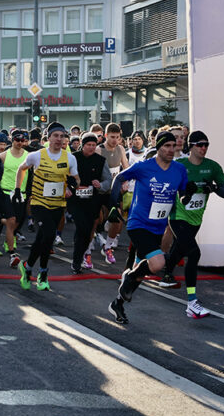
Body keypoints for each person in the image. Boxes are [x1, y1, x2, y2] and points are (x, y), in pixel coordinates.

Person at [106, 131, 192, 324]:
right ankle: (128, 278)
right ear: (159, 148)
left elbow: (183, 194)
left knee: (141, 271)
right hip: (138, 224)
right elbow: (119, 178)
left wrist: (189, 194)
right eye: (167, 146)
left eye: (174, 146)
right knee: (158, 263)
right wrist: (113, 203)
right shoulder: (144, 167)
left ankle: (118, 303)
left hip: (158, 226)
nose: (171, 149)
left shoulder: (179, 169)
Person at [163, 131, 224, 318]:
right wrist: (185, 192)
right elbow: (169, 188)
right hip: (177, 216)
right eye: (200, 144)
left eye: (206, 144)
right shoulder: (180, 165)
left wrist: (214, 188)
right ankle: (192, 302)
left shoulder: (212, 166)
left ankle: (164, 269)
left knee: (180, 249)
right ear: (191, 146)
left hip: (196, 218)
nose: (204, 148)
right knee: (194, 252)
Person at [14, 122, 80, 291]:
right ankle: (43, 273)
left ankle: (27, 267)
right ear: (48, 138)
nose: (59, 139)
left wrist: (71, 189)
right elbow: (21, 169)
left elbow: (76, 179)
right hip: (39, 203)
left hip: (58, 204)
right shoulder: (36, 156)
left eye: (62, 136)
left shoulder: (70, 158)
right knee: (49, 235)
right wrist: (17, 189)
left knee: (41, 239)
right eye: (55, 136)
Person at [69, 133, 111, 274]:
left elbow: (108, 180)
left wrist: (100, 185)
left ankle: (79, 257)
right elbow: (65, 175)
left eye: (94, 145)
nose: (92, 147)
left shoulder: (100, 160)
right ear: (83, 145)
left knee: (87, 232)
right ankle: (76, 261)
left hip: (93, 200)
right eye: (89, 145)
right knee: (82, 226)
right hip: (75, 200)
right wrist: (71, 187)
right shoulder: (74, 157)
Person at [0, 129, 28, 266]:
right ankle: (12, 253)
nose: (19, 143)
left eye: (22, 140)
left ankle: (0, 220)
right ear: (12, 141)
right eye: (17, 140)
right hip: (6, 192)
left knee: (17, 223)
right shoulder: (3, 156)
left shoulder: (28, 156)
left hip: (22, 193)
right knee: (12, 220)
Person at [97, 123, 129, 266]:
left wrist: (126, 181)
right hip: (101, 189)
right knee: (99, 218)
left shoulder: (121, 149)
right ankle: (95, 238)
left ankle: (109, 245)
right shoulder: (99, 149)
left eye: (117, 137)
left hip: (115, 189)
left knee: (118, 217)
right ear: (106, 136)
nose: (115, 140)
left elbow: (126, 166)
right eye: (112, 137)